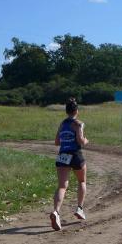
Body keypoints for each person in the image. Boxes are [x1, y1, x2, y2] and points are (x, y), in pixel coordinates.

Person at [50, 98, 89, 231]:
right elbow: (80, 140)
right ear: (76, 111)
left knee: (62, 186)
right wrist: (86, 141)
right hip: (76, 155)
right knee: (82, 181)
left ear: (66, 111)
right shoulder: (78, 124)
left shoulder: (62, 124)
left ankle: (56, 212)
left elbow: (56, 142)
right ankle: (79, 208)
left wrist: (66, 141)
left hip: (63, 155)